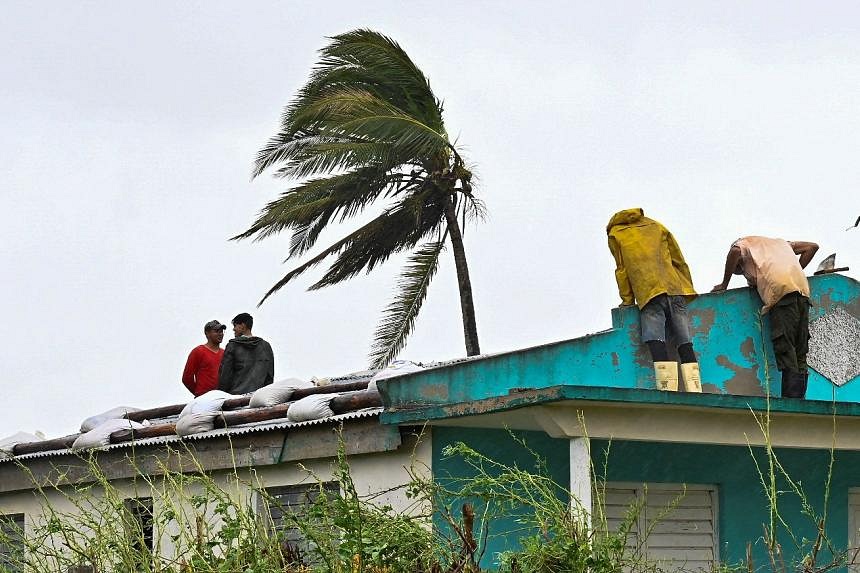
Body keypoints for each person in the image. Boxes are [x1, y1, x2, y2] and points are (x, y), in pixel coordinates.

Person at [607, 208, 702, 392]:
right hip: (674, 288)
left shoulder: (616, 234)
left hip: (649, 292)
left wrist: (627, 300)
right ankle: (695, 388)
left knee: (655, 338)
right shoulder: (657, 226)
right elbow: (678, 259)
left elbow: (622, 270)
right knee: (684, 339)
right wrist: (687, 286)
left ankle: (667, 389)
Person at [711, 237, 819, 398]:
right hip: (803, 295)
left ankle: (791, 401)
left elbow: (734, 252)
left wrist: (724, 284)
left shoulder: (745, 244)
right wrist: (791, 271)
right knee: (800, 350)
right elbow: (812, 247)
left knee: (786, 346)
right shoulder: (780, 245)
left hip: (782, 297)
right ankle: (800, 401)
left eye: (741, 270)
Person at [218, 313, 275, 395]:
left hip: (236, 398)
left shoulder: (233, 345)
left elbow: (225, 375)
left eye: (235, 326)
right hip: (258, 398)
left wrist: (222, 395)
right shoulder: (266, 346)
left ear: (242, 325)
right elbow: (270, 376)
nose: (233, 329)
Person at [182, 320, 227, 396]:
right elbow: (187, 378)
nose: (220, 334)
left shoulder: (225, 353)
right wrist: (199, 393)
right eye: (216, 331)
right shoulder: (198, 351)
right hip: (204, 398)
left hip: (222, 397)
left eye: (221, 331)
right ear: (207, 333)